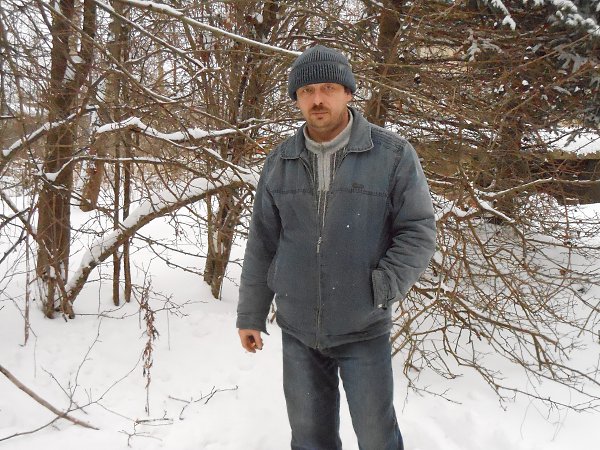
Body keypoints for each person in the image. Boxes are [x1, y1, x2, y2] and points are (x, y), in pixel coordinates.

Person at [236, 45, 436, 450]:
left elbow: (418, 230)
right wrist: (250, 314)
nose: (317, 99)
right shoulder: (280, 162)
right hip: (298, 329)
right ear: (296, 99)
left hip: (363, 327)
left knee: (377, 438)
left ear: (348, 92)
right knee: (310, 439)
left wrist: (382, 287)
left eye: (328, 88)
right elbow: (263, 242)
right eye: (306, 91)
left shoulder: (391, 155)